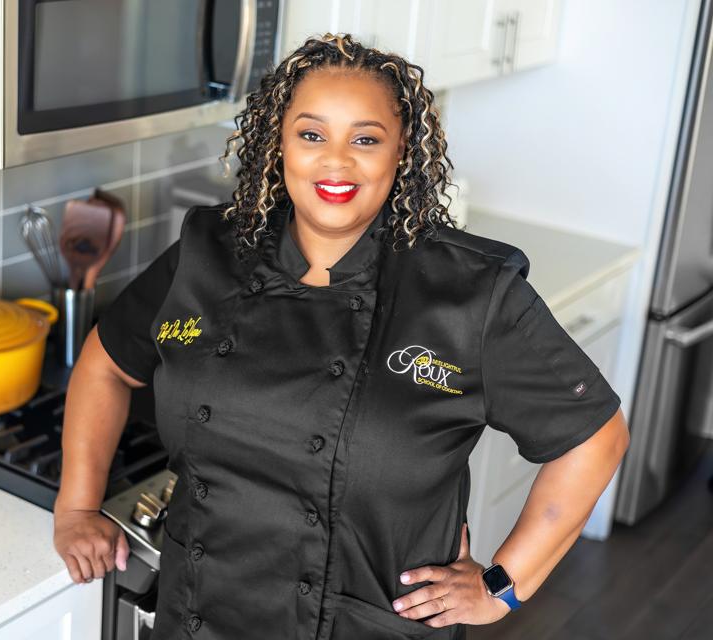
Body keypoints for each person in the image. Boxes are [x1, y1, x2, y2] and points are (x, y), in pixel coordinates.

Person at [52, 33, 630, 640]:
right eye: (311, 134)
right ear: (279, 145)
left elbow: (594, 436)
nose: (336, 161)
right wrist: (77, 507)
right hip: (200, 616)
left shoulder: (469, 293)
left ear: (400, 152)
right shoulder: (210, 252)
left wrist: (502, 588)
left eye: (365, 139)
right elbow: (107, 362)